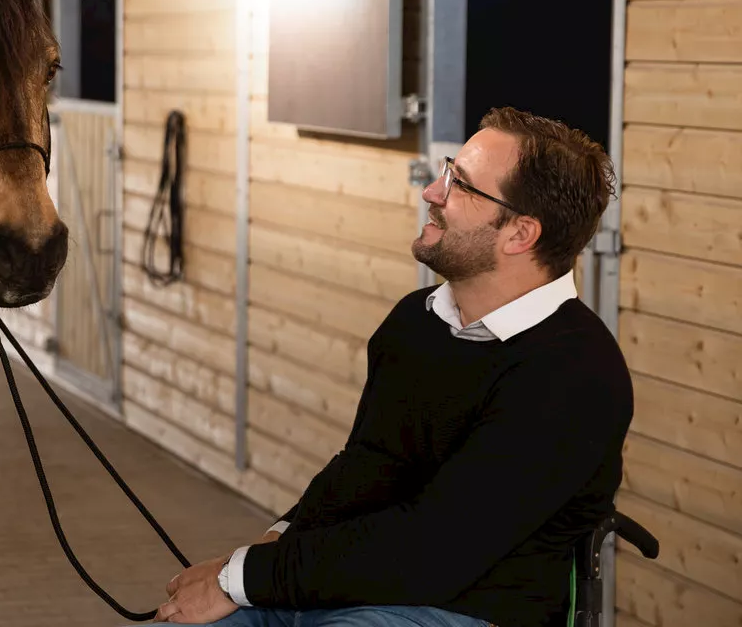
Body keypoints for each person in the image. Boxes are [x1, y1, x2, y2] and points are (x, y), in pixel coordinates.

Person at [155, 107, 633, 627]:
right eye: (448, 170)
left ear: (519, 234)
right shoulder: (416, 320)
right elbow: (365, 465)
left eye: (461, 185)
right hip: (352, 586)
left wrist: (242, 577)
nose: (431, 191)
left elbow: (434, 549)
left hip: (461, 608)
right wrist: (275, 543)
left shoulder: (576, 374)